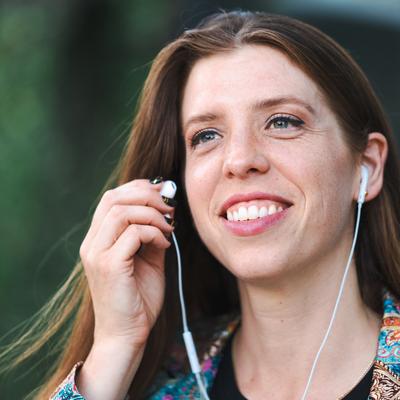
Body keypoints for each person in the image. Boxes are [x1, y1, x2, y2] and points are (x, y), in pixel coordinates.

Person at [4, 10, 400, 400]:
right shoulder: (153, 387)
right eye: (207, 135)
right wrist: (114, 348)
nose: (239, 160)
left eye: (282, 121)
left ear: (365, 166)